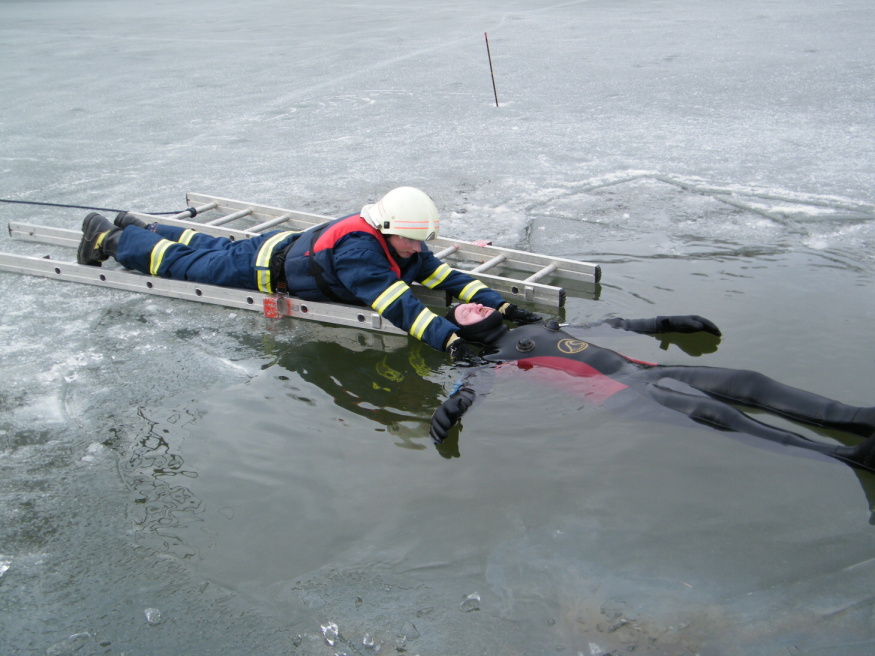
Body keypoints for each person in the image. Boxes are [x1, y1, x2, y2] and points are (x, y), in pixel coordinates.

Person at [75, 186, 542, 358]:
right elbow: (399, 305)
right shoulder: (364, 252)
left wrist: (503, 304)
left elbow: (446, 279)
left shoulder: (399, 242)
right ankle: (112, 238)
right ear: (390, 230)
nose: (419, 249)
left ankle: (145, 227)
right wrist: (452, 341)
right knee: (183, 266)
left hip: (280, 248)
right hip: (263, 269)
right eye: (413, 240)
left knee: (210, 247)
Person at [429, 303, 875, 473]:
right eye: (462, 311)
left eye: (473, 299)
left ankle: (856, 417)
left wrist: (664, 324)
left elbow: (614, 324)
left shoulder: (546, 324)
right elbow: (474, 387)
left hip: (646, 369)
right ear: (461, 332)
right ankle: (844, 458)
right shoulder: (494, 359)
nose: (470, 304)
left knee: (747, 382)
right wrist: (453, 409)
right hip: (626, 395)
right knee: (719, 415)